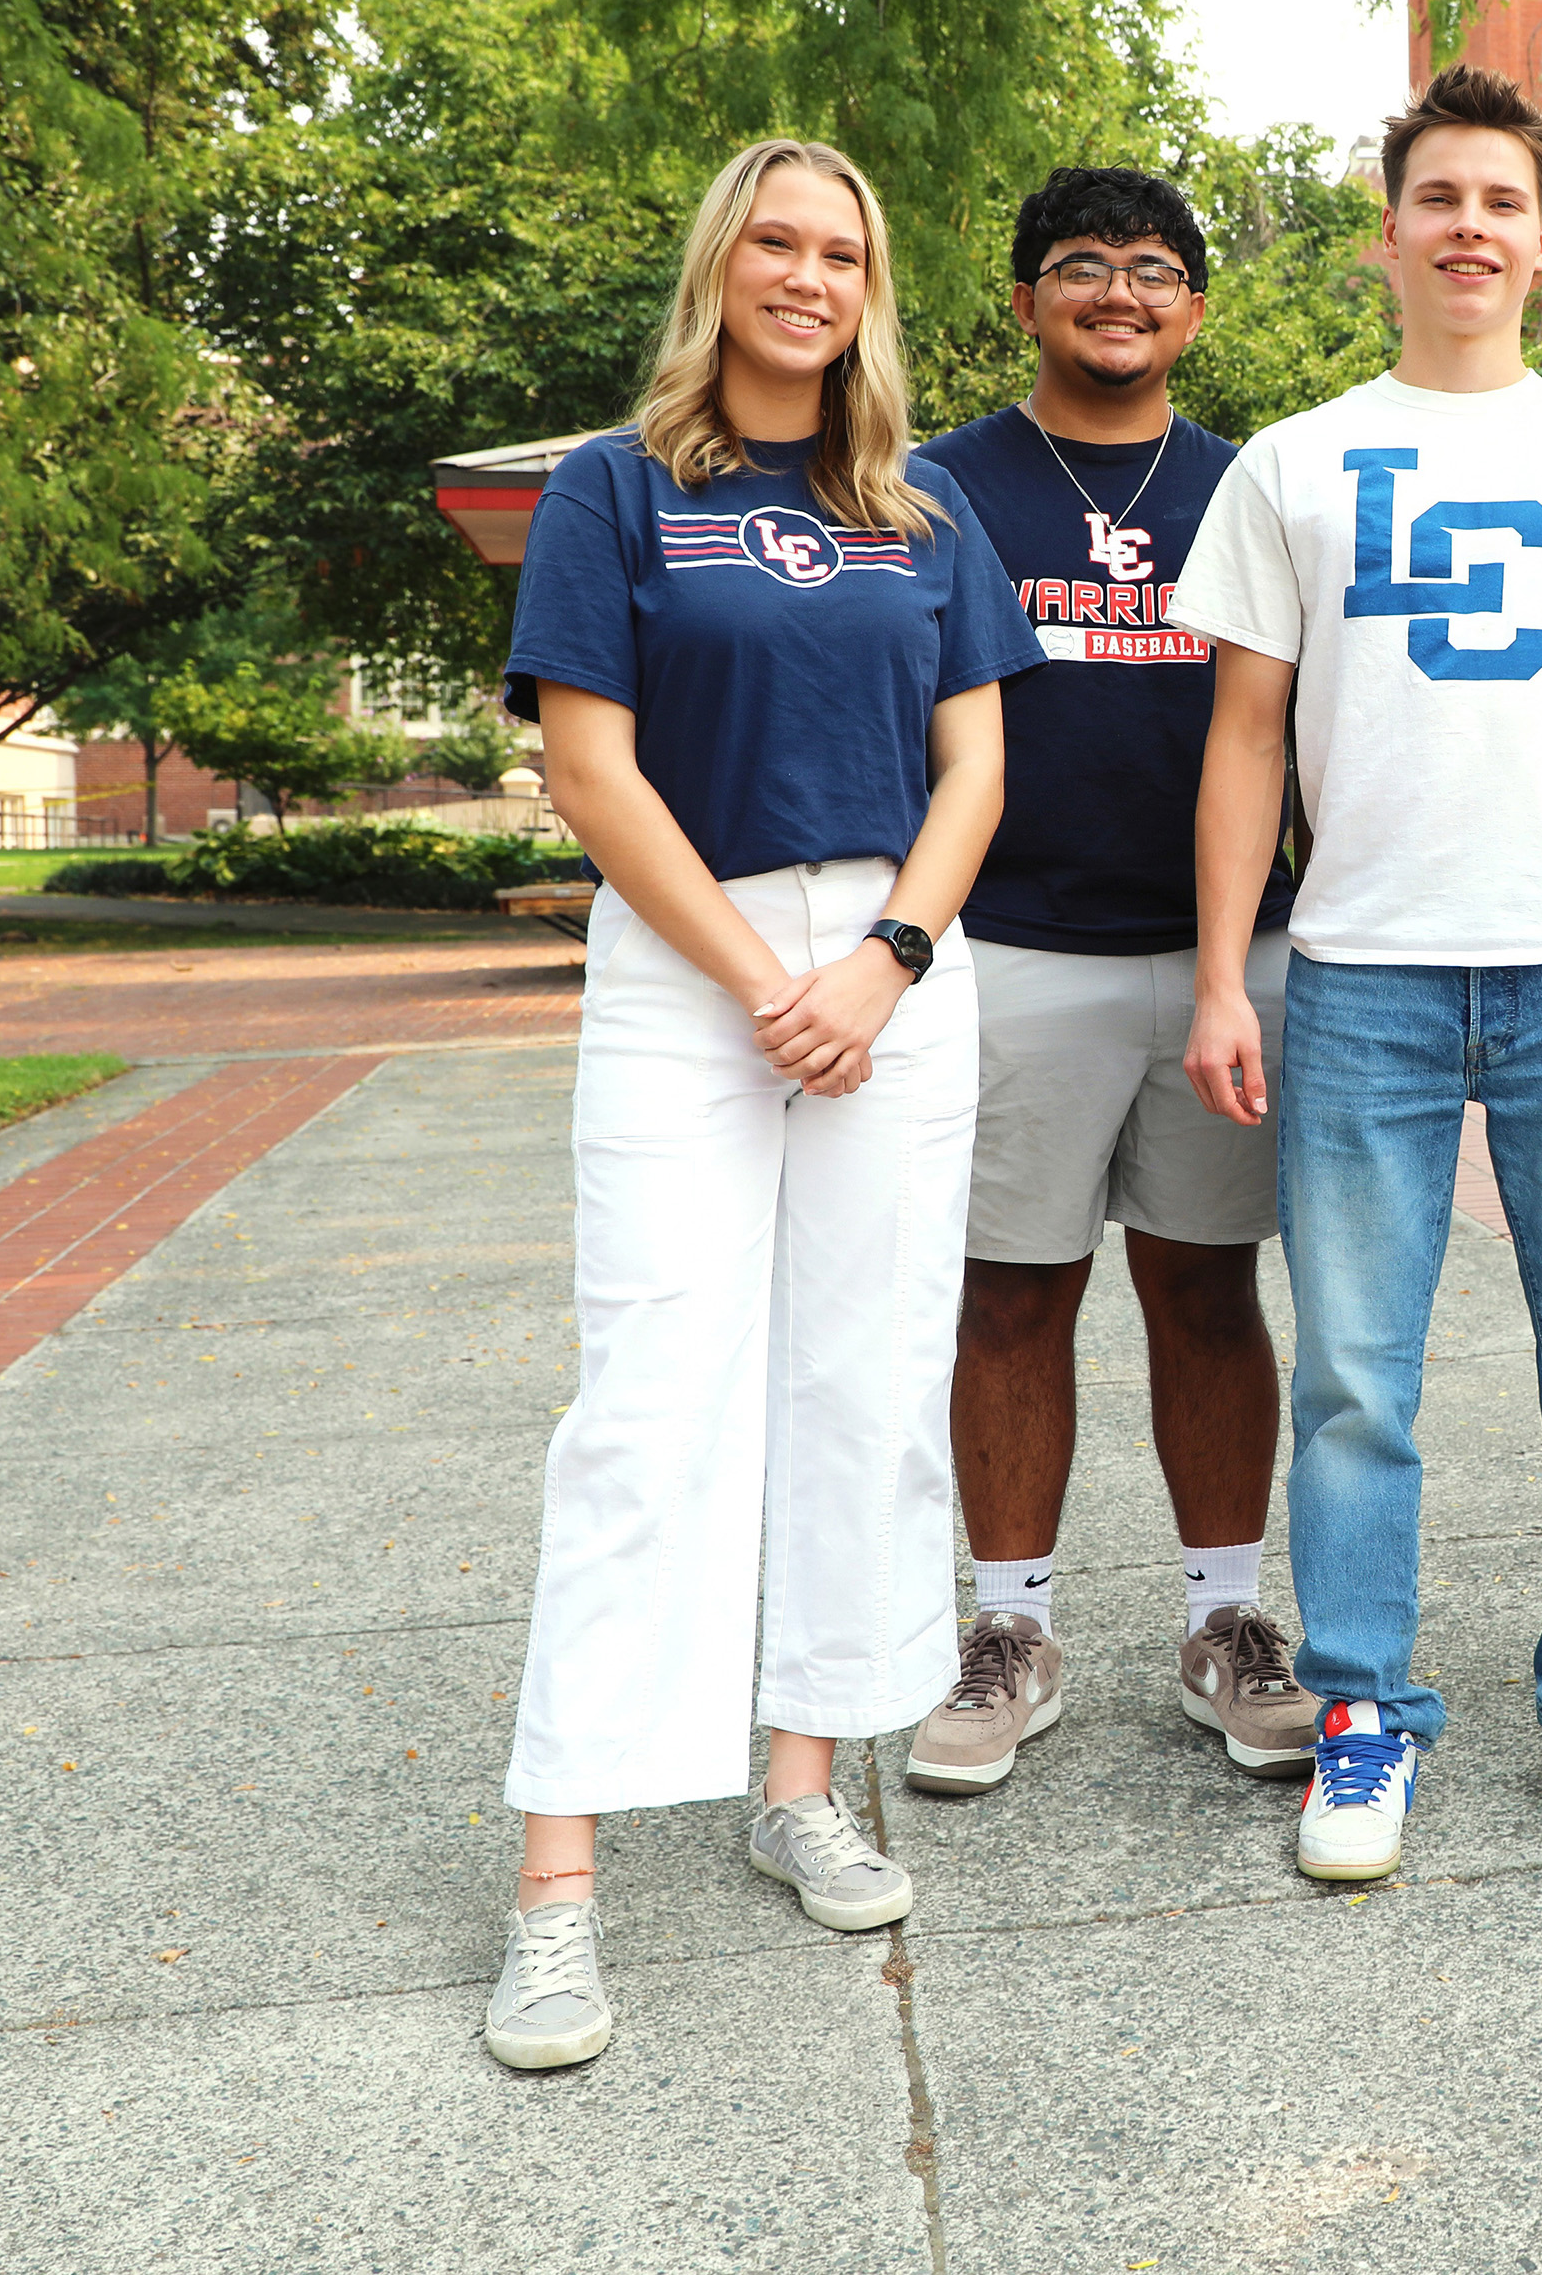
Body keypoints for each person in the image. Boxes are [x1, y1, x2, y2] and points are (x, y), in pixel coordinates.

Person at [484, 138, 1040, 2071]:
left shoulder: (927, 511)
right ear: (723, 261)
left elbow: (974, 773)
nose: (809, 277)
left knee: (863, 1383)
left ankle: (799, 1773)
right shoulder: (614, 489)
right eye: (778, 243)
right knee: (650, 1404)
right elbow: (588, 767)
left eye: (843, 252)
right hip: (688, 968)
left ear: (871, 287)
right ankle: (557, 1885)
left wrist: (880, 962)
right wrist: (757, 981)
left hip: (890, 961)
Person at [1171, 65, 1542, 1884]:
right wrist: (1221, 975)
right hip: (1363, 973)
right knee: (1356, 1372)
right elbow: (1244, 741)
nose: (1472, 228)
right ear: (1391, 231)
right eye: (1440, 199)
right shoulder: (1296, 460)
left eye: (1504, 201)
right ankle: (1362, 1713)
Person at [899, 167, 1316, 1801]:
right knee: (1013, 1293)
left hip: (1227, 957)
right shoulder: (940, 491)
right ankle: (1010, 1634)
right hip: (1015, 950)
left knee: (1209, 1290)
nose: (1119, 293)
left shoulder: (1255, 488)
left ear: (1195, 308)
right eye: (1081, 267)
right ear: (1023, 301)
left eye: (1154, 270)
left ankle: (1229, 1623)